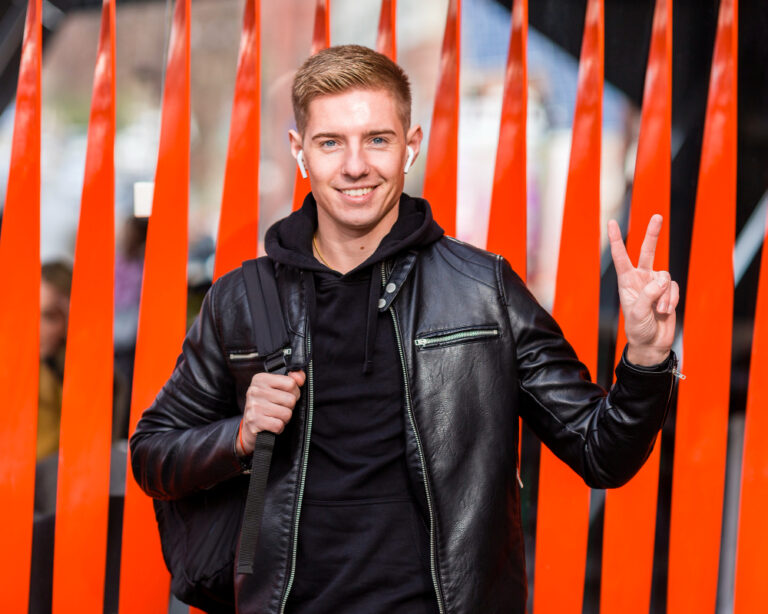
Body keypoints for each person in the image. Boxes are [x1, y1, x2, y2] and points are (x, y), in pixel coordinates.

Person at [130, 45, 680, 614]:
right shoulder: (243, 298)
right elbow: (152, 454)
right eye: (330, 142)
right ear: (300, 153)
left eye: (377, 139)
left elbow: (601, 452)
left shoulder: (482, 290)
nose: (354, 165)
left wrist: (644, 359)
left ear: (410, 146)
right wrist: (239, 436)